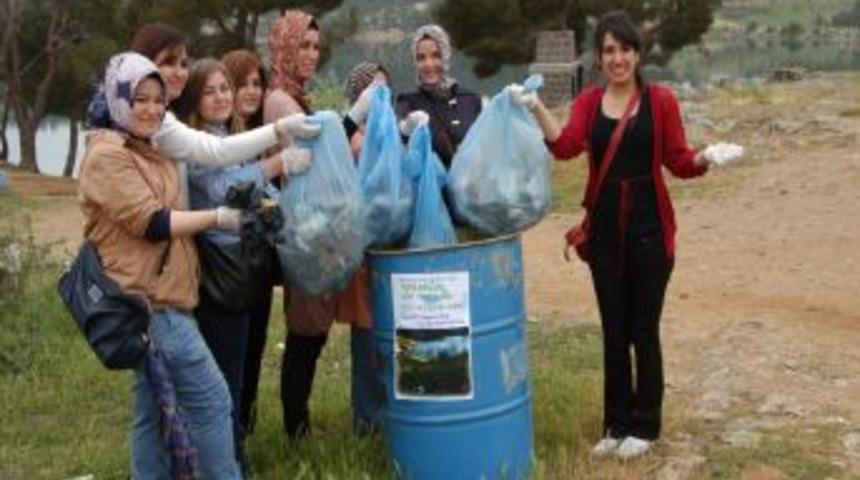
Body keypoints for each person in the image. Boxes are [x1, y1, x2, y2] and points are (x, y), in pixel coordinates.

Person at [512, 10, 710, 460]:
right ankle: (615, 424)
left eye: (624, 49)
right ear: (599, 59)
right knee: (614, 330)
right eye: (608, 51)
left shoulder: (660, 101)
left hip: (650, 229)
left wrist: (707, 157)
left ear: (637, 54)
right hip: (603, 231)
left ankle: (646, 425)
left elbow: (678, 161)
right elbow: (564, 148)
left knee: (644, 328)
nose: (617, 58)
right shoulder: (587, 103)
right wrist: (535, 105)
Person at [78, 51, 242, 479]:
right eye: (140, 99)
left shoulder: (145, 146)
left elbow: (215, 150)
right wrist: (218, 218)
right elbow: (152, 222)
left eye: (158, 100)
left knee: (151, 414)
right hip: (149, 304)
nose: (151, 109)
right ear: (118, 100)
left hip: (167, 297)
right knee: (211, 399)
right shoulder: (106, 156)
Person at [174, 57, 310, 475]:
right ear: (195, 98)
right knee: (222, 381)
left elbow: (262, 196)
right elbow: (224, 189)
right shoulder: (195, 144)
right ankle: (229, 464)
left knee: (238, 370)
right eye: (210, 90)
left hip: (244, 270)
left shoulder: (228, 135)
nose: (221, 97)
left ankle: (231, 455)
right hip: (220, 276)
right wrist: (276, 164)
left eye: (224, 89)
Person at [85, 23, 320, 193]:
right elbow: (218, 156)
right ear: (142, 66)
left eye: (183, 64)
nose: (179, 72)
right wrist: (280, 134)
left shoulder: (161, 117)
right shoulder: (154, 122)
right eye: (168, 62)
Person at [263, 9, 335, 439]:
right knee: (306, 331)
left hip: (305, 227)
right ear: (285, 49)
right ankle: (296, 429)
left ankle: (298, 423)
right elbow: (310, 164)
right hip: (298, 233)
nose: (310, 55)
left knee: (312, 330)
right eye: (303, 46)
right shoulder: (280, 101)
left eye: (315, 48)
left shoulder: (295, 96)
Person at [220, 48, 279, 447]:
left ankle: (245, 428)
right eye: (243, 83)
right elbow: (237, 188)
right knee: (233, 354)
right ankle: (230, 437)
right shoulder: (222, 137)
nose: (252, 91)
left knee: (254, 346)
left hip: (255, 261)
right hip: (227, 264)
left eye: (258, 83)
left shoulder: (252, 134)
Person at [395, 24, 481, 170]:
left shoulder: (470, 99)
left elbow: (485, 147)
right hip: (428, 190)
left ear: (446, 56)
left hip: (467, 189)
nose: (429, 64)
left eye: (436, 55)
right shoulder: (407, 101)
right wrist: (406, 127)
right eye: (421, 58)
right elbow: (397, 144)